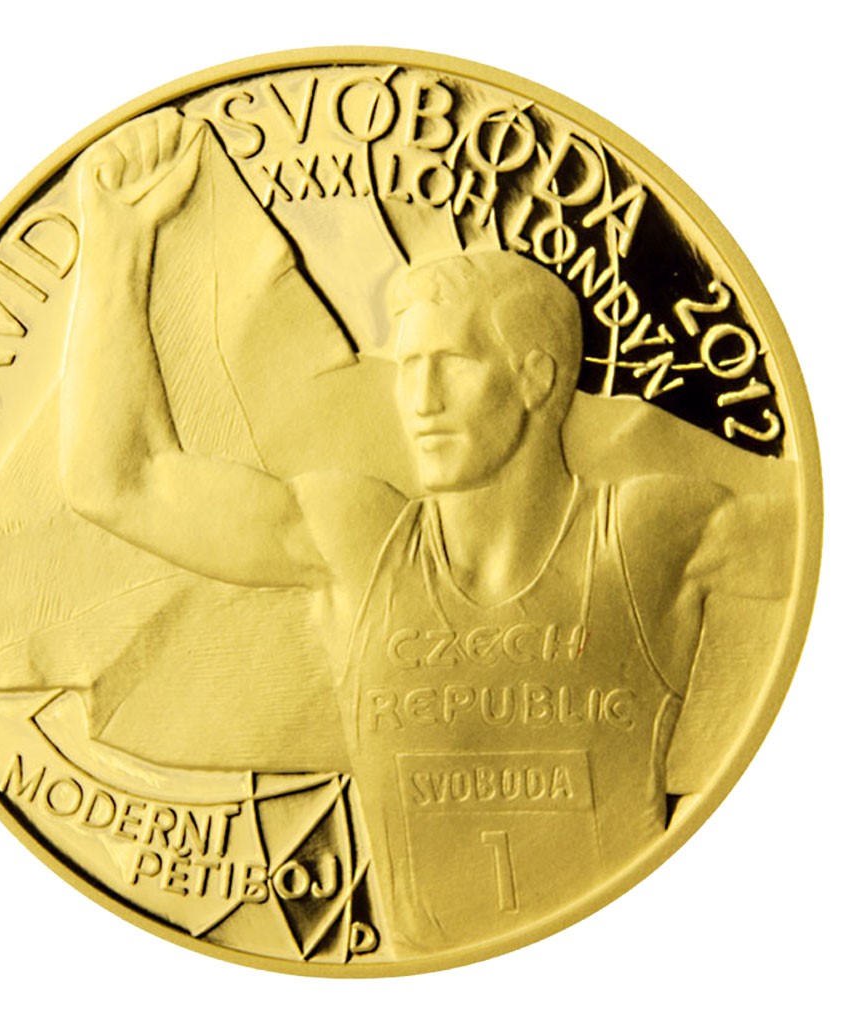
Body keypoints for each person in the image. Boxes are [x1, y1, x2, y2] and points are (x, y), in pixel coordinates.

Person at [61, 108, 765, 957]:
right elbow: (120, 483)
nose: (420, 401)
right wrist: (117, 244)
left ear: (536, 380)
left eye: (452, 365)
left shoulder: (647, 532)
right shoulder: (360, 544)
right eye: (408, 369)